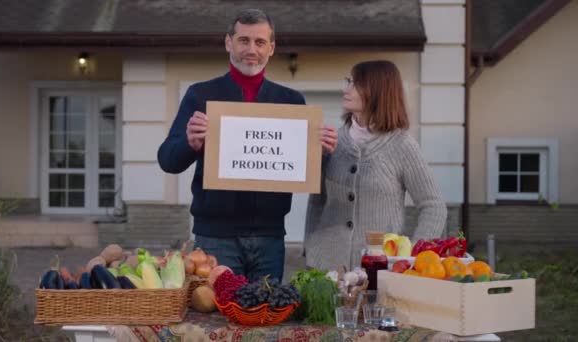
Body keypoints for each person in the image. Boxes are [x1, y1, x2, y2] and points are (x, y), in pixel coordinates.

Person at [158, 9, 337, 282]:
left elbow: (304, 170)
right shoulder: (201, 95)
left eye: (260, 42)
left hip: (270, 237)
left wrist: (322, 153)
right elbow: (168, 160)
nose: (251, 49)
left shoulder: (291, 102)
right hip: (215, 238)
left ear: (272, 48)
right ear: (228, 42)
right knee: (214, 321)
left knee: (265, 320)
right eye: (244, 40)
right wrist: (191, 143)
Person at [304, 60, 447, 270]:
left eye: (355, 83)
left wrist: (413, 258)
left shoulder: (402, 146)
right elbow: (317, 200)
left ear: (379, 91)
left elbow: (434, 206)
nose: (346, 88)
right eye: (348, 81)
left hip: (379, 270)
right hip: (326, 269)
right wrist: (310, 246)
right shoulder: (333, 141)